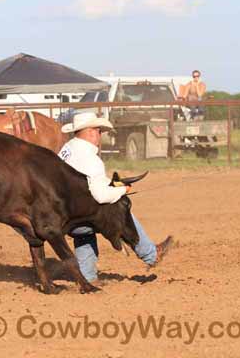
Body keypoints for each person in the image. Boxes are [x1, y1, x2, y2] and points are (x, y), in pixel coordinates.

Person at [58, 112, 173, 283]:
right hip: (78, 217)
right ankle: (151, 254)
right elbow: (101, 195)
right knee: (122, 210)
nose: (100, 135)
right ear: (90, 132)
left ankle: (87, 276)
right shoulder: (91, 159)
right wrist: (122, 190)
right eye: (99, 131)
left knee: (85, 233)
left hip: (64, 216)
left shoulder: (67, 150)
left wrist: (116, 185)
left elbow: (89, 182)